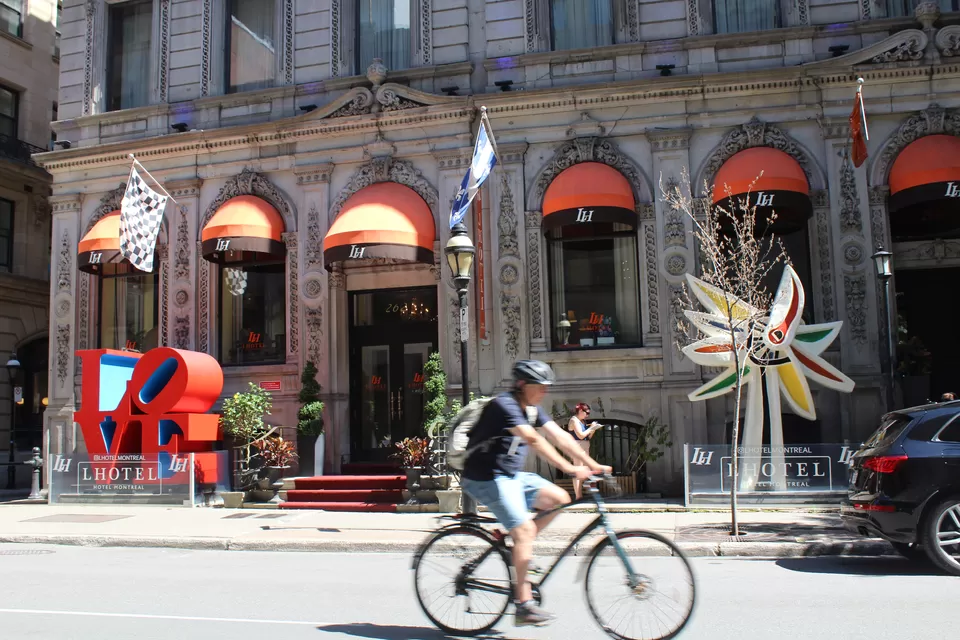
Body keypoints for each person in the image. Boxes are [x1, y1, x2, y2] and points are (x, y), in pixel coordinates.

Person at [461, 360, 611, 628]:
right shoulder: (505, 405)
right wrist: (570, 469)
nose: (545, 391)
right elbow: (534, 440)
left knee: (560, 499)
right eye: (540, 386)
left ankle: (517, 543)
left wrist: (592, 465)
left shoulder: (532, 409)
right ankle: (523, 605)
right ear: (522, 384)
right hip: (485, 477)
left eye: (546, 386)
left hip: (510, 476)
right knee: (525, 531)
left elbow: (561, 437)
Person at [568, 402, 603, 500]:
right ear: (580, 410)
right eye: (586, 413)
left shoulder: (582, 421)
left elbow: (588, 437)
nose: (587, 415)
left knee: (585, 469)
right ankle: (578, 496)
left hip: (585, 446)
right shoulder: (574, 420)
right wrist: (591, 428)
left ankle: (581, 493)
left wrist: (593, 429)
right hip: (577, 446)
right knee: (578, 469)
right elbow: (580, 435)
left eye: (588, 413)